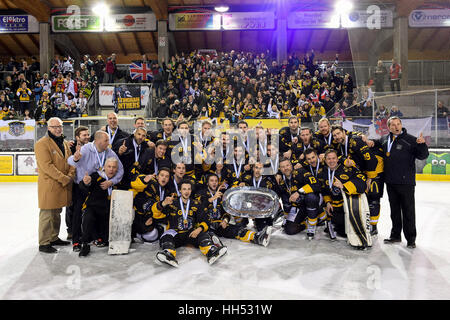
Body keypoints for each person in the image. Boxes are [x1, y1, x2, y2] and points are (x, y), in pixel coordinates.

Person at [372, 116, 429, 248]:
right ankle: (395, 235)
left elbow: (423, 156)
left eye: (398, 124)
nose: (396, 127)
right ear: (389, 127)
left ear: (401, 125)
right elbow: (377, 144)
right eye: (393, 125)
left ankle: (411, 239)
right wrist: (370, 142)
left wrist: (422, 145)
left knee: (408, 211)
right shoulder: (385, 139)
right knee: (395, 211)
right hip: (391, 182)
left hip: (406, 183)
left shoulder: (411, 140)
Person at [67, 130, 124, 251]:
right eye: (106, 141)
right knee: (78, 212)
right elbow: (70, 161)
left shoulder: (109, 152)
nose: (108, 143)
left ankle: (96, 237)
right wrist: (76, 159)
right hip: (82, 185)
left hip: (98, 186)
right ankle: (76, 241)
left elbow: (121, 170)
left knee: (97, 212)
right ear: (97, 141)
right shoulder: (86, 149)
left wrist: (111, 182)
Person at [157, 180, 227, 267]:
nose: (186, 192)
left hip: (190, 234)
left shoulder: (196, 204)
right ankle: (168, 254)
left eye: (189, 189)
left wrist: (199, 228)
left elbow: (206, 220)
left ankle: (211, 251)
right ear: (180, 190)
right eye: (184, 189)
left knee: (202, 234)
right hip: (176, 234)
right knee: (166, 235)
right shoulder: (172, 203)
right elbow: (156, 215)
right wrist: (163, 203)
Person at [35, 117, 75, 253]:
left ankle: (53, 237)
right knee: (47, 214)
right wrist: (64, 178)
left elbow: (70, 161)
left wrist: (70, 174)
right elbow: (47, 166)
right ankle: (44, 242)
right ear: (48, 128)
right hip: (50, 185)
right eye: (55, 127)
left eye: (60, 126)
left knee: (57, 212)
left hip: (61, 185)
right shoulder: (41, 144)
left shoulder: (63, 142)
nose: (58, 129)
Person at [199, 173, 272, 247]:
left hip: (219, 224)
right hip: (205, 225)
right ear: (207, 183)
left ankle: (257, 237)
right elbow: (199, 209)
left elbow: (226, 211)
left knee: (237, 230)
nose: (214, 183)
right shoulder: (201, 193)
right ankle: (212, 247)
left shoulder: (222, 194)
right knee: (206, 236)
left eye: (216, 181)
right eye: (211, 181)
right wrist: (212, 198)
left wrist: (225, 220)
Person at [317, 149, 368, 247]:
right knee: (342, 231)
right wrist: (327, 202)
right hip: (334, 207)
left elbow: (362, 184)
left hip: (349, 207)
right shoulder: (322, 172)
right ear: (325, 160)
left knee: (346, 232)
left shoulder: (348, 168)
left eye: (333, 158)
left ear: (337, 159)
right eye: (329, 159)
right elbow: (324, 190)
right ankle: (332, 222)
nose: (331, 161)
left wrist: (344, 186)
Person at [78, 157, 121, 257]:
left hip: (108, 212)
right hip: (93, 209)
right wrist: (85, 183)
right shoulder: (96, 176)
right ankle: (85, 244)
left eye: (114, 167)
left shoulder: (118, 180)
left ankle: (108, 238)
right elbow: (83, 186)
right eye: (109, 166)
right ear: (104, 167)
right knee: (88, 216)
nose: (111, 169)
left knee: (105, 238)